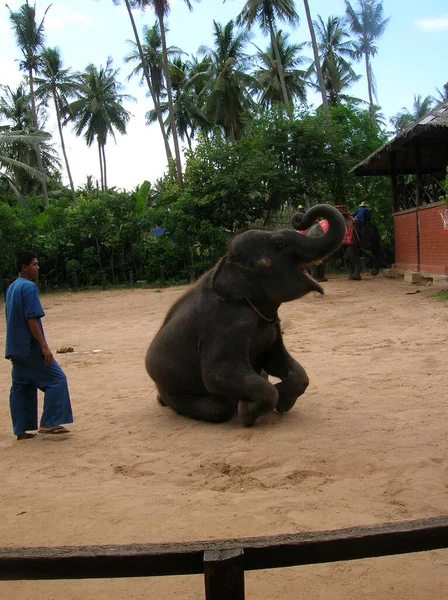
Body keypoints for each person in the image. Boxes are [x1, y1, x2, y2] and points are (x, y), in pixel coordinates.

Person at [4, 251, 73, 440]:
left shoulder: (12, 287)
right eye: (34, 264)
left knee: (22, 385)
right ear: (24, 267)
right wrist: (44, 346)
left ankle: (21, 429)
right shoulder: (28, 287)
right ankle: (49, 422)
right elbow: (31, 319)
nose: (37, 267)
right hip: (29, 346)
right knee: (57, 379)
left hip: (14, 347)